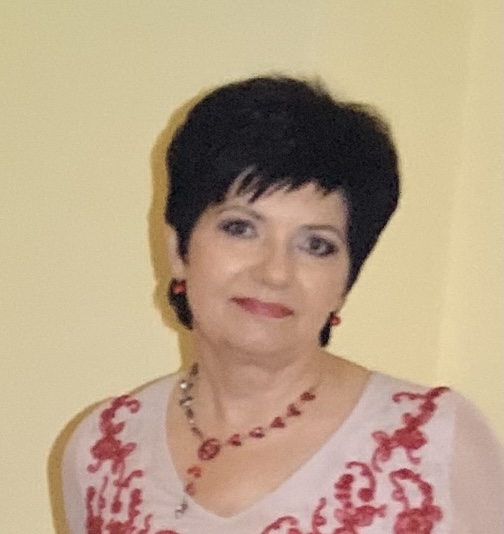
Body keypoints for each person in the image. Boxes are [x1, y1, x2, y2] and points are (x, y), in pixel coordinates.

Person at [61, 76, 504, 533]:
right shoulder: (103, 450)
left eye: (316, 245)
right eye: (240, 228)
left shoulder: (437, 446)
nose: (275, 272)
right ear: (178, 251)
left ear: (345, 281)